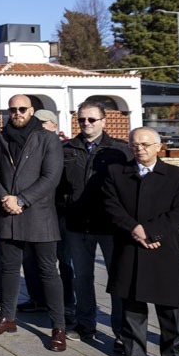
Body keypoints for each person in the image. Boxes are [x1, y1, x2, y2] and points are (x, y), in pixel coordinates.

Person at [103, 128, 179, 356]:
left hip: (163, 248)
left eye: (145, 144)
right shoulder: (116, 173)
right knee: (132, 303)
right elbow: (111, 205)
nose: (139, 149)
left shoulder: (178, 176)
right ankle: (133, 352)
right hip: (130, 245)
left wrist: (152, 232)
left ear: (158, 147)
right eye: (134, 145)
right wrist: (135, 229)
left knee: (169, 308)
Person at [0, 95, 67, 351]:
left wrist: (22, 199)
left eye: (22, 109)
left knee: (47, 271)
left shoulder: (47, 139)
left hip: (39, 214)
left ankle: (58, 327)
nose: (17, 113)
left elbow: (51, 176)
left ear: (31, 111)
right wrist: (4, 198)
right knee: (8, 268)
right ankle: (7, 318)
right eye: (12, 109)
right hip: (8, 212)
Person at [57, 100, 132, 342]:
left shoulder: (120, 150)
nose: (86, 123)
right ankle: (85, 324)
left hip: (111, 226)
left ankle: (121, 331)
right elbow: (58, 186)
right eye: (81, 119)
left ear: (103, 121)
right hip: (77, 225)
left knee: (117, 278)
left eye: (91, 119)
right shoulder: (66, 149)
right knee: (82, 277)